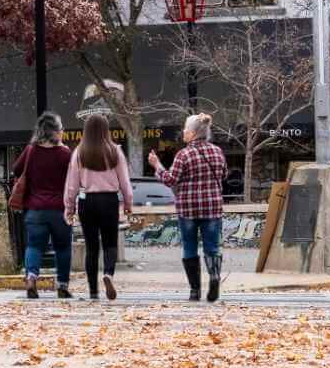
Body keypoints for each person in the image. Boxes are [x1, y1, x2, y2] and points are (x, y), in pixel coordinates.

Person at [149, 112, 228, 302]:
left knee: (189, 247)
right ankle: (214, 276)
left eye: (185, 129)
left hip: (188, 209)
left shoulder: (183, 155)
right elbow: (224, 174)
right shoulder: (217, 152)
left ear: (192, 133)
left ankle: (194, 291)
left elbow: (170, 180)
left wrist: (157, 165)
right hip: (212, 207)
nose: (183, 132)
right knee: (212, 247)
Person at [64, 112, 135, 301]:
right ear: (106, 130)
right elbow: (125, 182)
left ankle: (93, 291)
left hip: (87, 201)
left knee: (91, 247)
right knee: (110, 242)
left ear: (86, 130)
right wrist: (128, 203)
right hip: (109, 200)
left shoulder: (79, 153)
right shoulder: (115, 151)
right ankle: (108, 274)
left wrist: (69, 208)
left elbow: (71, 185)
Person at [11, 111, 74, 299]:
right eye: (61, 129)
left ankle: (31, 277)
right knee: (63, 247)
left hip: (35, 209)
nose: (62, 132)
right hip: (59, 210)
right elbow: (74, 178)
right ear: (56, 131)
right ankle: (62, 286)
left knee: (34, 246)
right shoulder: (65, 153)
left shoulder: (31, 150)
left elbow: (16, 169)